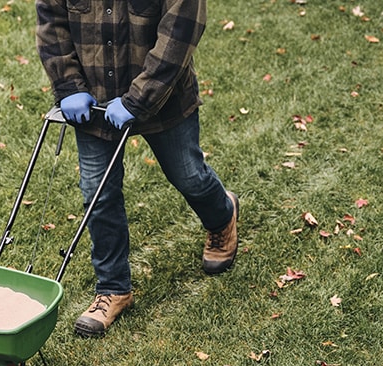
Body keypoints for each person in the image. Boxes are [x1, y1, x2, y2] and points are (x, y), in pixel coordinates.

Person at [36, 0, 239, 338]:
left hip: (164, 98)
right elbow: (51, 21)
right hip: (94, 102)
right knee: (98, 194)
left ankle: (223, 216)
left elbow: (180, 31)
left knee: (189, 175)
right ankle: (113, 289)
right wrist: (68, 86)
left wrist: (138, 101)